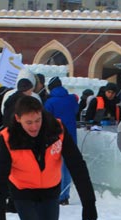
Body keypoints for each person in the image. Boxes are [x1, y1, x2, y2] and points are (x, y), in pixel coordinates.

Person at [44, 76, 79, 205]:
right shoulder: (71, 99)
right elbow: (76, 111)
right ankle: (65, 195)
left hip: (56, 137)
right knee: (67, 167)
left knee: (55, 165)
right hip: (71, 137)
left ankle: (56, 194)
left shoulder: (50, 102)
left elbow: (46, 120)